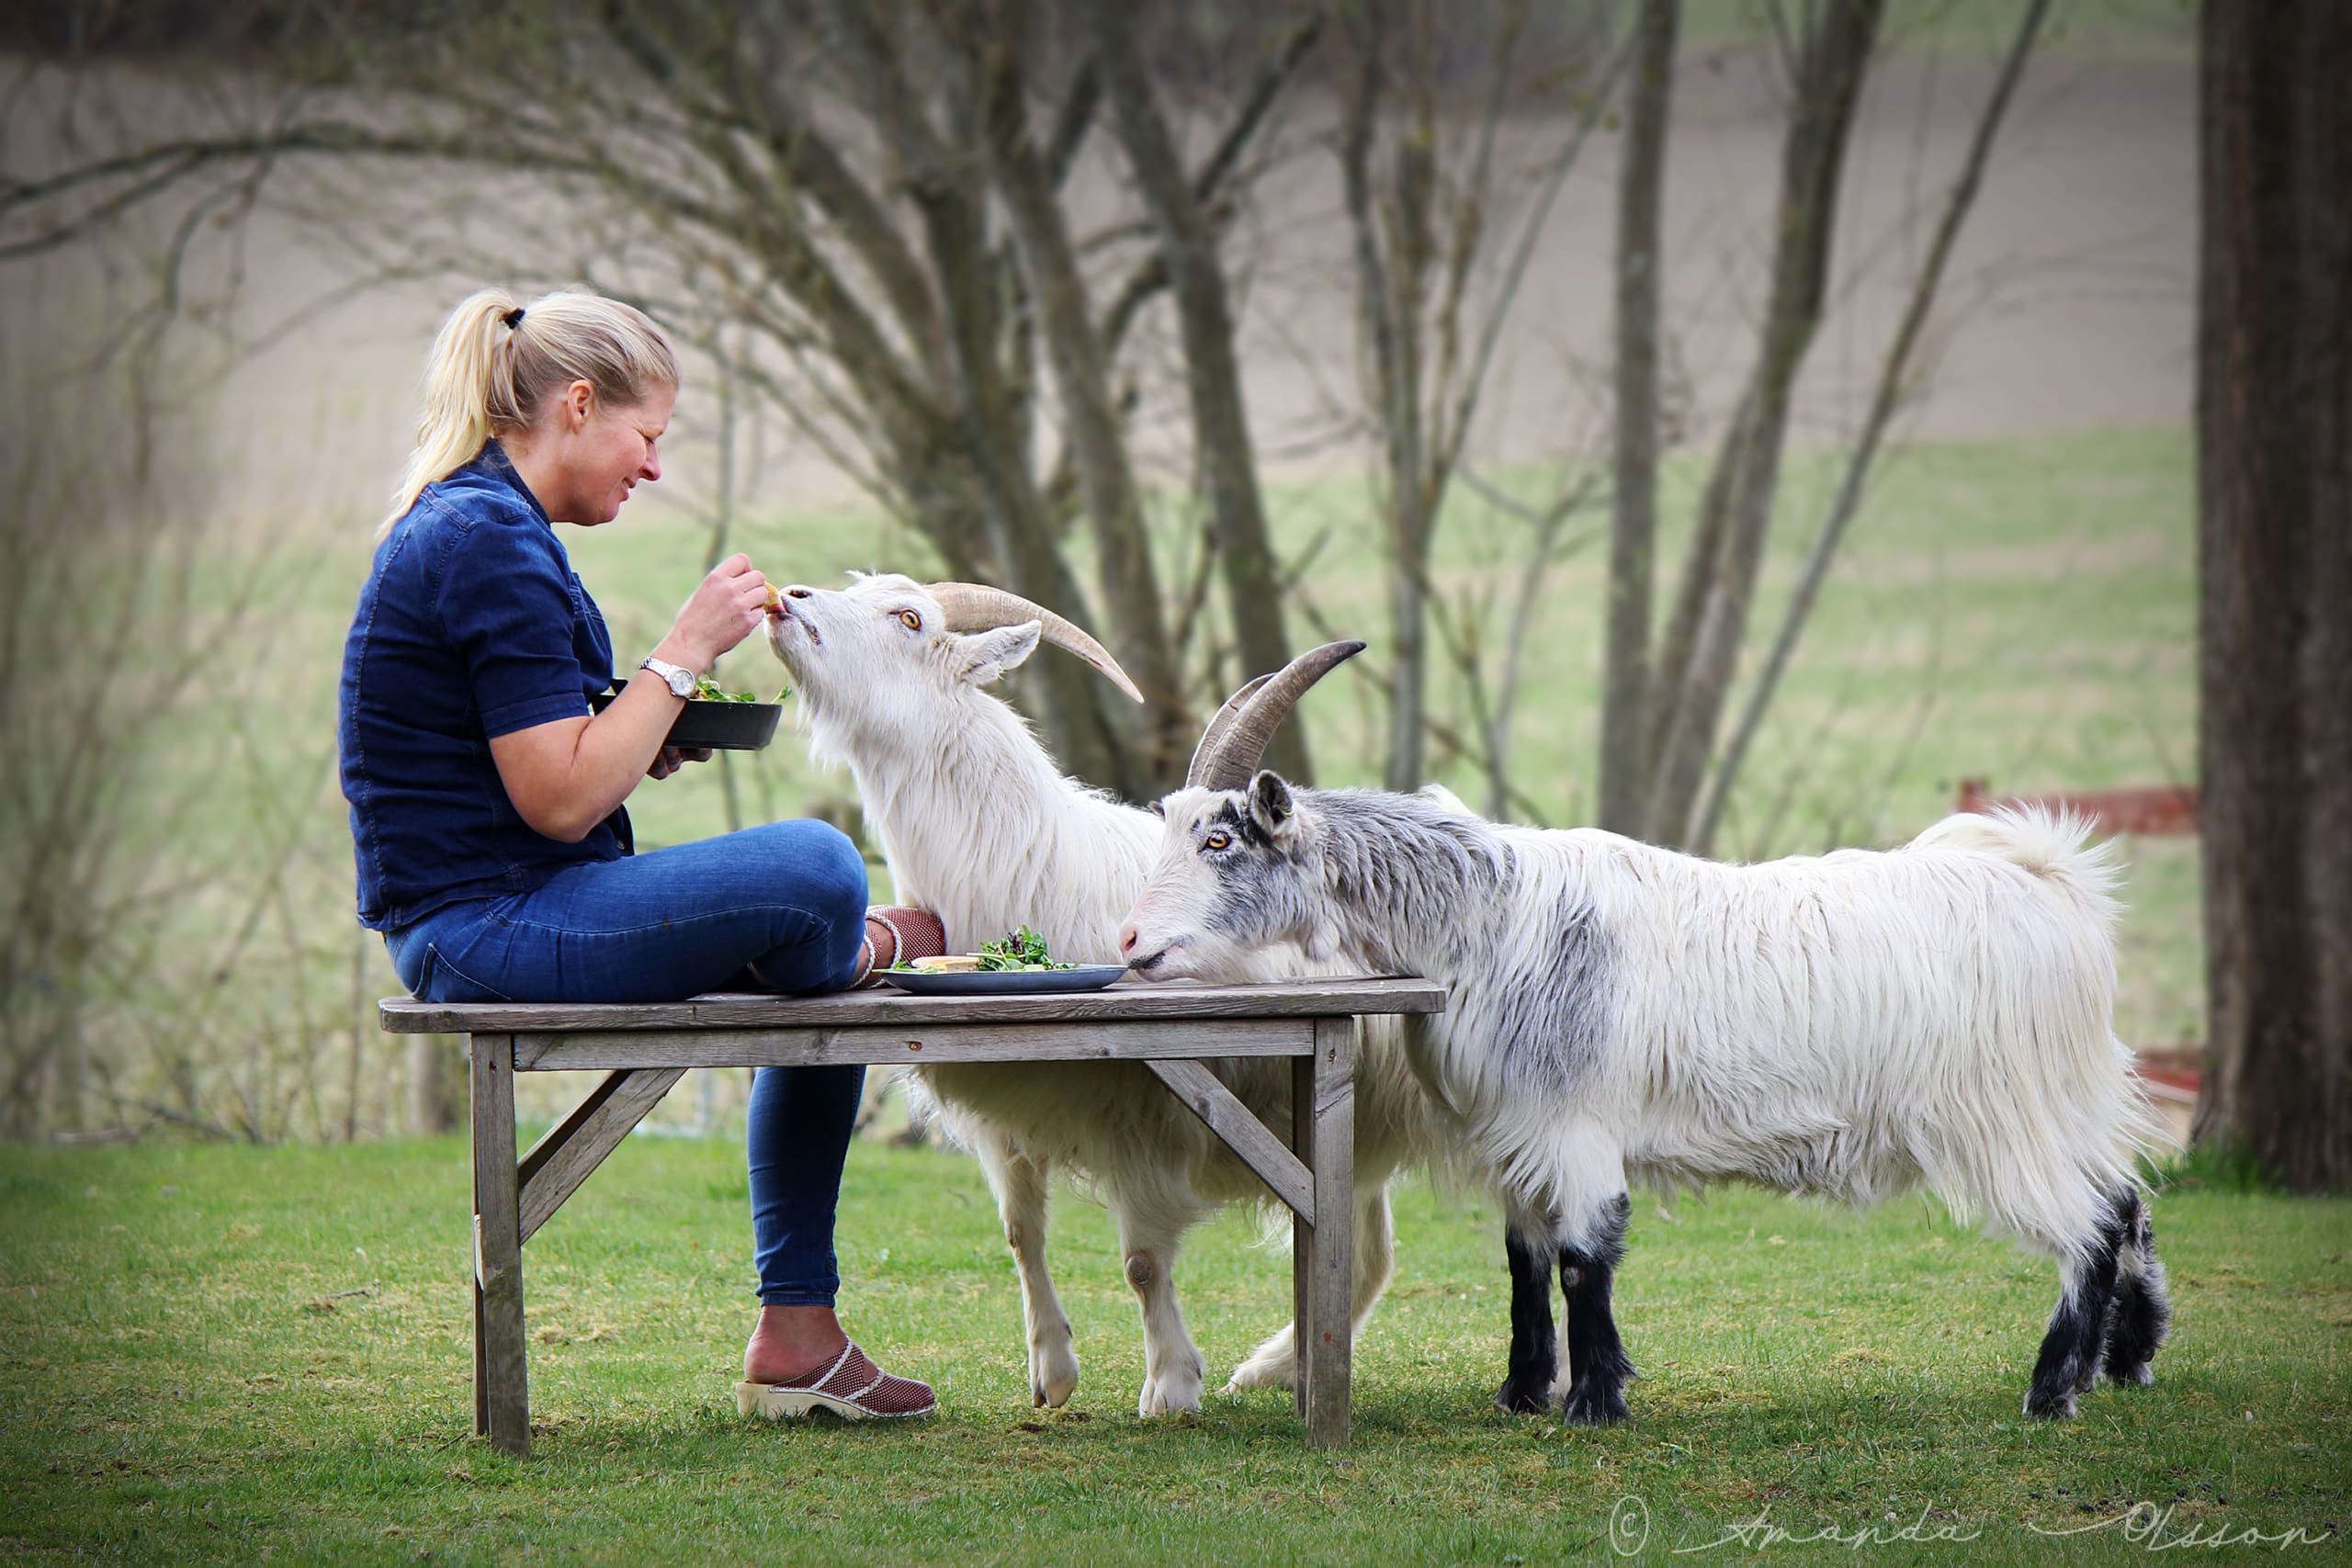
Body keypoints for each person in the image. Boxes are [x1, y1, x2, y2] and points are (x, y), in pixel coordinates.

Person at [338, 286, 942, 1422]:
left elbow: (542, 754)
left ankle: (797, 1342)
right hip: (483, 926)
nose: (653, 467)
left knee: (809, 933)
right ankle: (858, 946)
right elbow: (561, 798)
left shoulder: (492, 525)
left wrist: (642, 726)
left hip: (511, 903)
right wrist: (681, 655)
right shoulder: (484, 543)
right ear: (576, 405)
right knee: (819, 870)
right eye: (646, 436)